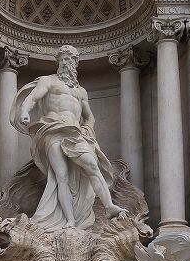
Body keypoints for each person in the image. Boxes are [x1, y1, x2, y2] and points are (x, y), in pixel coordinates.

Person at [10, 45, 127, 230]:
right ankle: (70, 221)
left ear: (75, 63)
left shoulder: (81, 91)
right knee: (61, 176)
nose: (66, 63)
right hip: (53, 129)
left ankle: (109, 206)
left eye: (69, 59)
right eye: (63, 59)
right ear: (58, 62)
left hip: (75, 132)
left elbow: (89, 117)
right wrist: (25, 111)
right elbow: (31, 99)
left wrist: (87, 128)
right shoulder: (48, 81)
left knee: (92, 165)